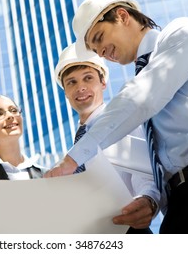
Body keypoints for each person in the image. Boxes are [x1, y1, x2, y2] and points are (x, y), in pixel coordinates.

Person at [46, 0, 188, 233]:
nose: (100, 52)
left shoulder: (183, 31)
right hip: (178, 200)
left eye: (99, 38)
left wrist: (74, 159)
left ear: (121, 16)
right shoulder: (137, 98)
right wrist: (151, 200)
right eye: (95, 49)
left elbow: (142, 97)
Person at [55, 42, 164, 233]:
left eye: (88, 78)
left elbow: (145, 176)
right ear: (65, 91)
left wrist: (147, 200)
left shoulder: (123, 123)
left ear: (103, 82)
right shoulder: (74, 149)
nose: (80, 87)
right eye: (72, 82)